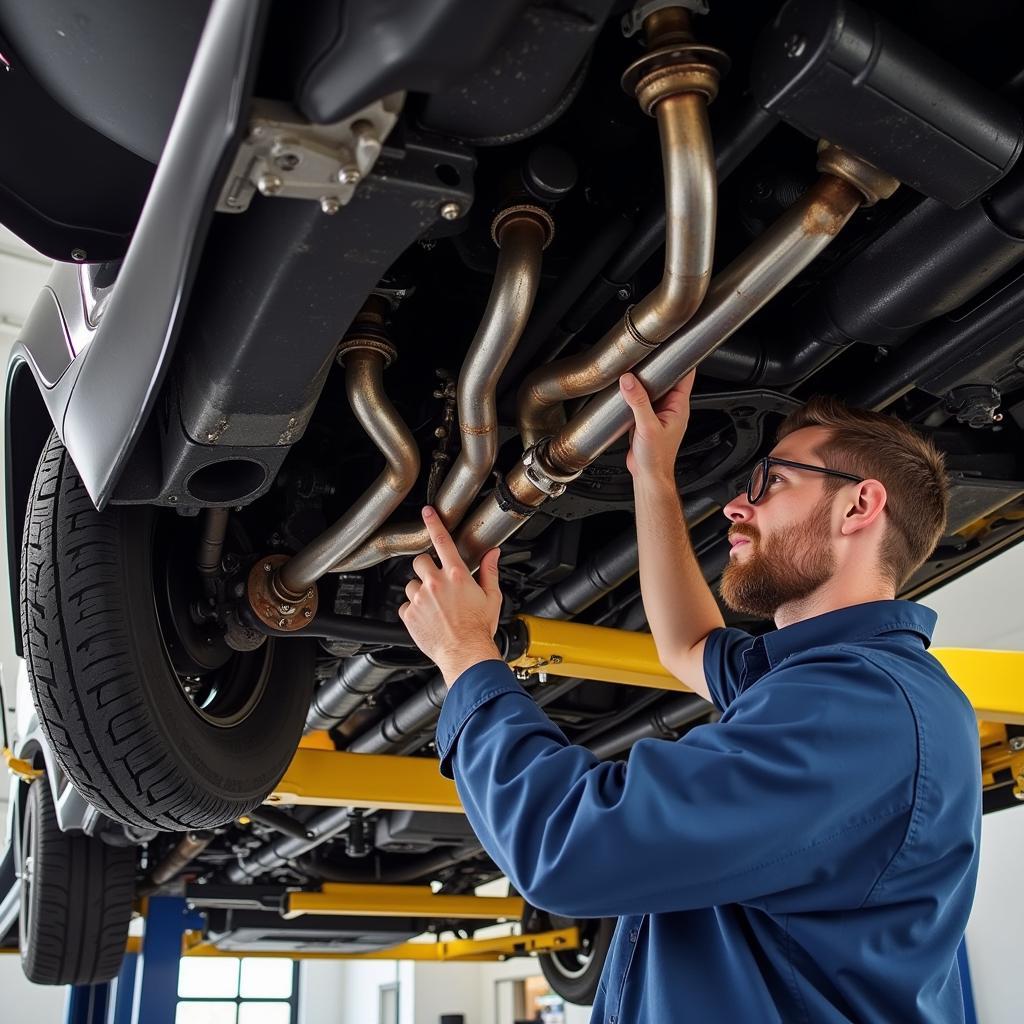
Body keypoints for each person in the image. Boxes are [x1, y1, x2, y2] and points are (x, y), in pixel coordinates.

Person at [398, 370, 981, 1024]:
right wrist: (654, 473)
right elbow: (689, 642)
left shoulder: (862, 709)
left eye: (772, 481)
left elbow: (570, 848)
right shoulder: (831, 685)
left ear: (859, 507)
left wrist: (467, 655)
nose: (736, 504)